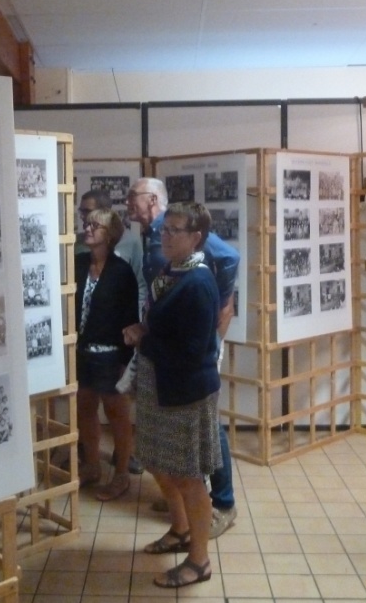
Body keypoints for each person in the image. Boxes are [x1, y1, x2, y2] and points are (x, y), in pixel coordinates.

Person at [126, 177, 239, 539]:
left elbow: (230, 258)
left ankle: (221, 501)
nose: (129, 203)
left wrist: (220, 312)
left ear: (152, 200)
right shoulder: (154, 236)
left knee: (202, 430)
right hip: (167, 347)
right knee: (176, 443)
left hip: (188, 355)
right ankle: (183, 503)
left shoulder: (193, 266)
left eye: (135, 197)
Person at [123, 202, 220, 588]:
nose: (164, 236)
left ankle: (199, 561)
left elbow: (193, 352)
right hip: (160, 385)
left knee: (188, 477)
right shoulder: (173, 271)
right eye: (163, 229)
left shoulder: (197, 283)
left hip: (185, 393)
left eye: (173, 231)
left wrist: (144, 338)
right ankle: (179, 530)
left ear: (195, 238)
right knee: (157, 461)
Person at [76, 189, 147, 476]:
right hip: (83, 352)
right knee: (85, 411)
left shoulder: (121, 272)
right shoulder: (79, 264)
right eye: (87, 223)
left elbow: (129, 317)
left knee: (117, 416)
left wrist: (124, 359)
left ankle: (120, 475)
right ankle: (92, 466)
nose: (87, 229)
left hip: (110, 354)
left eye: (95, 225)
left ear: (110, 234)